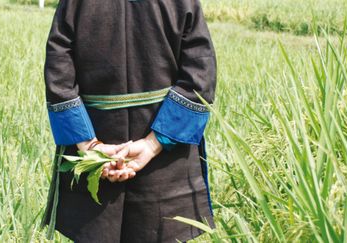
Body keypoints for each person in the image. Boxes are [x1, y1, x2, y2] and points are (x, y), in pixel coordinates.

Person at [40, 0, 217, 242]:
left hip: (101, 151)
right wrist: (153, 144)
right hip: (164, 163)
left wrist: (90, 147)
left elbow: (58, 73)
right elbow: (200, 74)